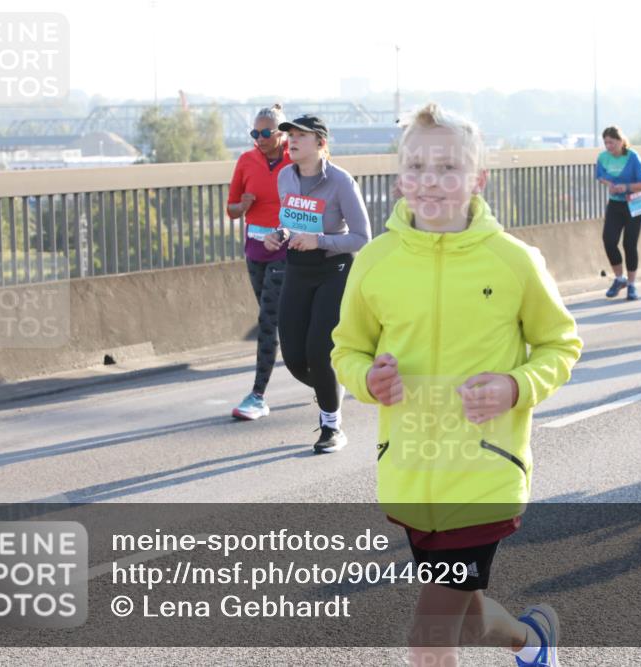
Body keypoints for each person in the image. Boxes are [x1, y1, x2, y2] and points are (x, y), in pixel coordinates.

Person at [331, 103, 582, 667]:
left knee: (429, 639)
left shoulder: (514, 261)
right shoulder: (375, 262)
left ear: (478, 179)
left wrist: (515, 386)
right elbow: (346, 350)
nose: (430, 180)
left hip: (481, 477)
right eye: (417, 167)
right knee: (465, 614)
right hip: (410, 476)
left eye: (448, 168)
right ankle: (531, 640)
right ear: (400, 179)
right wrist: (367, 380)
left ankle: (526, 641)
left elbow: (560, 345)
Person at [262, 115, 372, 452]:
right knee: (295, 357)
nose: (291, 141)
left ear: (321, 143)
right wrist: (279, 234)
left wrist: (319, 241)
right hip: (297, 268)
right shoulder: (285, 177)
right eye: (290, 135)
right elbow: (291, 222)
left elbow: (362, 237)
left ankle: (331, 426)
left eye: (301, 136)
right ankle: (333, 384)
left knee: (319, 352)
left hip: (333, 269)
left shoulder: (340, 181)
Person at [227, 104, 292, 420]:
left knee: (268, 319)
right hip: (255, 249)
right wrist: (243, 205)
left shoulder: (295, 159)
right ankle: (321, 369)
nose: (260, 138)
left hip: (286, 248)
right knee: (278, 318)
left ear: (281, 133)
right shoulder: (246, 161)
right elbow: (231, 210)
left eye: (266, 132)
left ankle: (257, 396)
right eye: (255, 133)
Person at [596, 126, 641, 301]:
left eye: (612, 142)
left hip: (634, 204)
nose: (608, 146)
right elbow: (600, 176)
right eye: (606, 143)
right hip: (615, 204)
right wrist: (610, 185)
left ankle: (632, 284)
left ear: (621, 141)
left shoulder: (632, 156)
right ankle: (620, 279)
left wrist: (626, 187)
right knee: (609, 240)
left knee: (629, 244)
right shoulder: (603, 157)